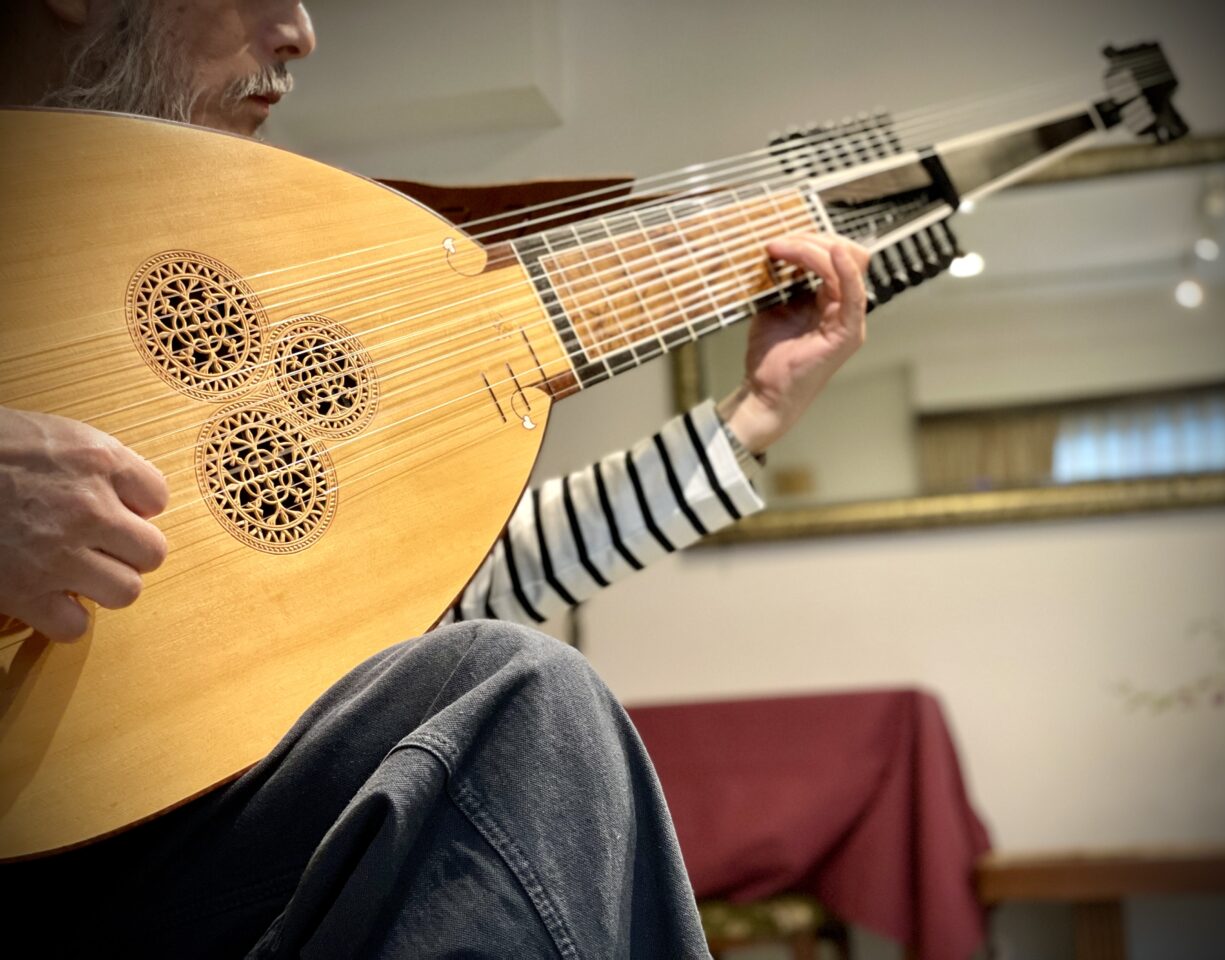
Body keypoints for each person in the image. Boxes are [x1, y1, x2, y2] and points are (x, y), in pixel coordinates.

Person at [0, 2, 870, 956]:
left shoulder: (214, 252)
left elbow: (433, 596)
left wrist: (747, 421)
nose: (299, 29)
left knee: (504, 701)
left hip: (176, 841)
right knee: (517, 693)